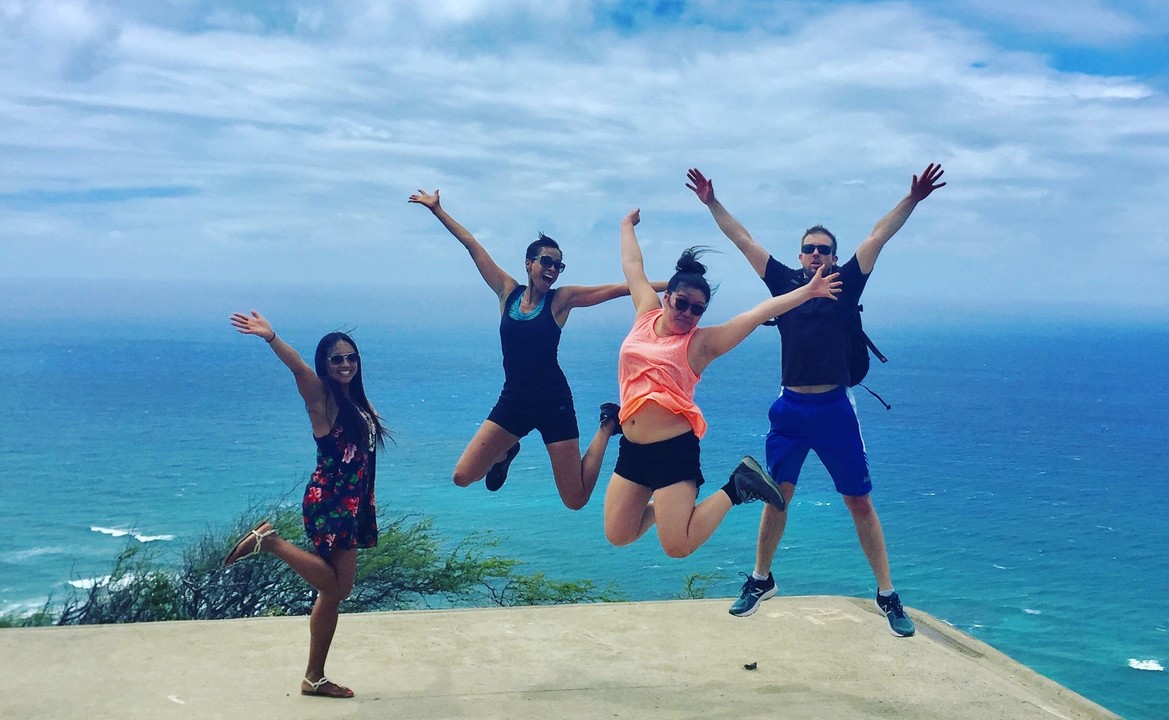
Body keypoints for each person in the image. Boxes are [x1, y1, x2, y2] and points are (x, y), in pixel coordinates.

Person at [686, 163, 946, 635]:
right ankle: (760, 580)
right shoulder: (784, 283)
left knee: (859, 502)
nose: (815, 255)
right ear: (800, 255)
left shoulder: (848, 283)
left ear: (833, 255)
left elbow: (876, 237)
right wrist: (710, 202)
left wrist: (912, 200)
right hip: (789, 410)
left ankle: (888, 594)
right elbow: (743, 239)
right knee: (775, 496)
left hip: (833, 410)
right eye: (808, 250)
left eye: (823, 250)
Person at [603, 208, 840, 558]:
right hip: (633, 449)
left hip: (673, 451)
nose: (687, 313)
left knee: (677, 546)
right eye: (681, 303)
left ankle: (737, 486)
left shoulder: (701, 344)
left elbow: (757, 313)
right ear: (667, 297)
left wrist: (808, 291)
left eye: (697, 309)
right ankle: (673, 511)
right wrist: (625, 225)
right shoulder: (645, 312)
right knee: (619, 533)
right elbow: (632, 265)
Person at [409, 188, 648, 509]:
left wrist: (672, 288)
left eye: (558, 266)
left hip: (553, 403)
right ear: (529, 263)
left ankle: (608, 425)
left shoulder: (561, 300)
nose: (552, 269)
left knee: (575, 499)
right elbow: (472, 246)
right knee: (463, 476)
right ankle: (506, 452)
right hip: (514, 401)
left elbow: (619, 289)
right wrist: (437, 210)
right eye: (546, 262)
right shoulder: (507, 291)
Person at [223, 311, 390, 698]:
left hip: (352, 504)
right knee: (340, 588)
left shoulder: (357, 401)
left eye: (351, 357)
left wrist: (369, 498)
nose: (346, 364)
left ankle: (314, 678)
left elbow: (363, 457)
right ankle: (271, 542)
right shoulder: (322, 399)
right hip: (330, 502)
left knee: (330, 595)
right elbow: (298, 368)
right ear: (325, 366)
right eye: (337, 359)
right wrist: (272, 337)